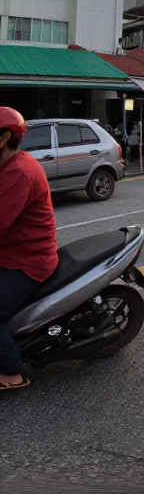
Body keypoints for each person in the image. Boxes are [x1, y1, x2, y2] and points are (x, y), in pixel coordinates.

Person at [0, 107, 58, 391]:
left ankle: (12, 374)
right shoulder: (5, 166)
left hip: (27, 261)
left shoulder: (19, 173)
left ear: (3, 138)